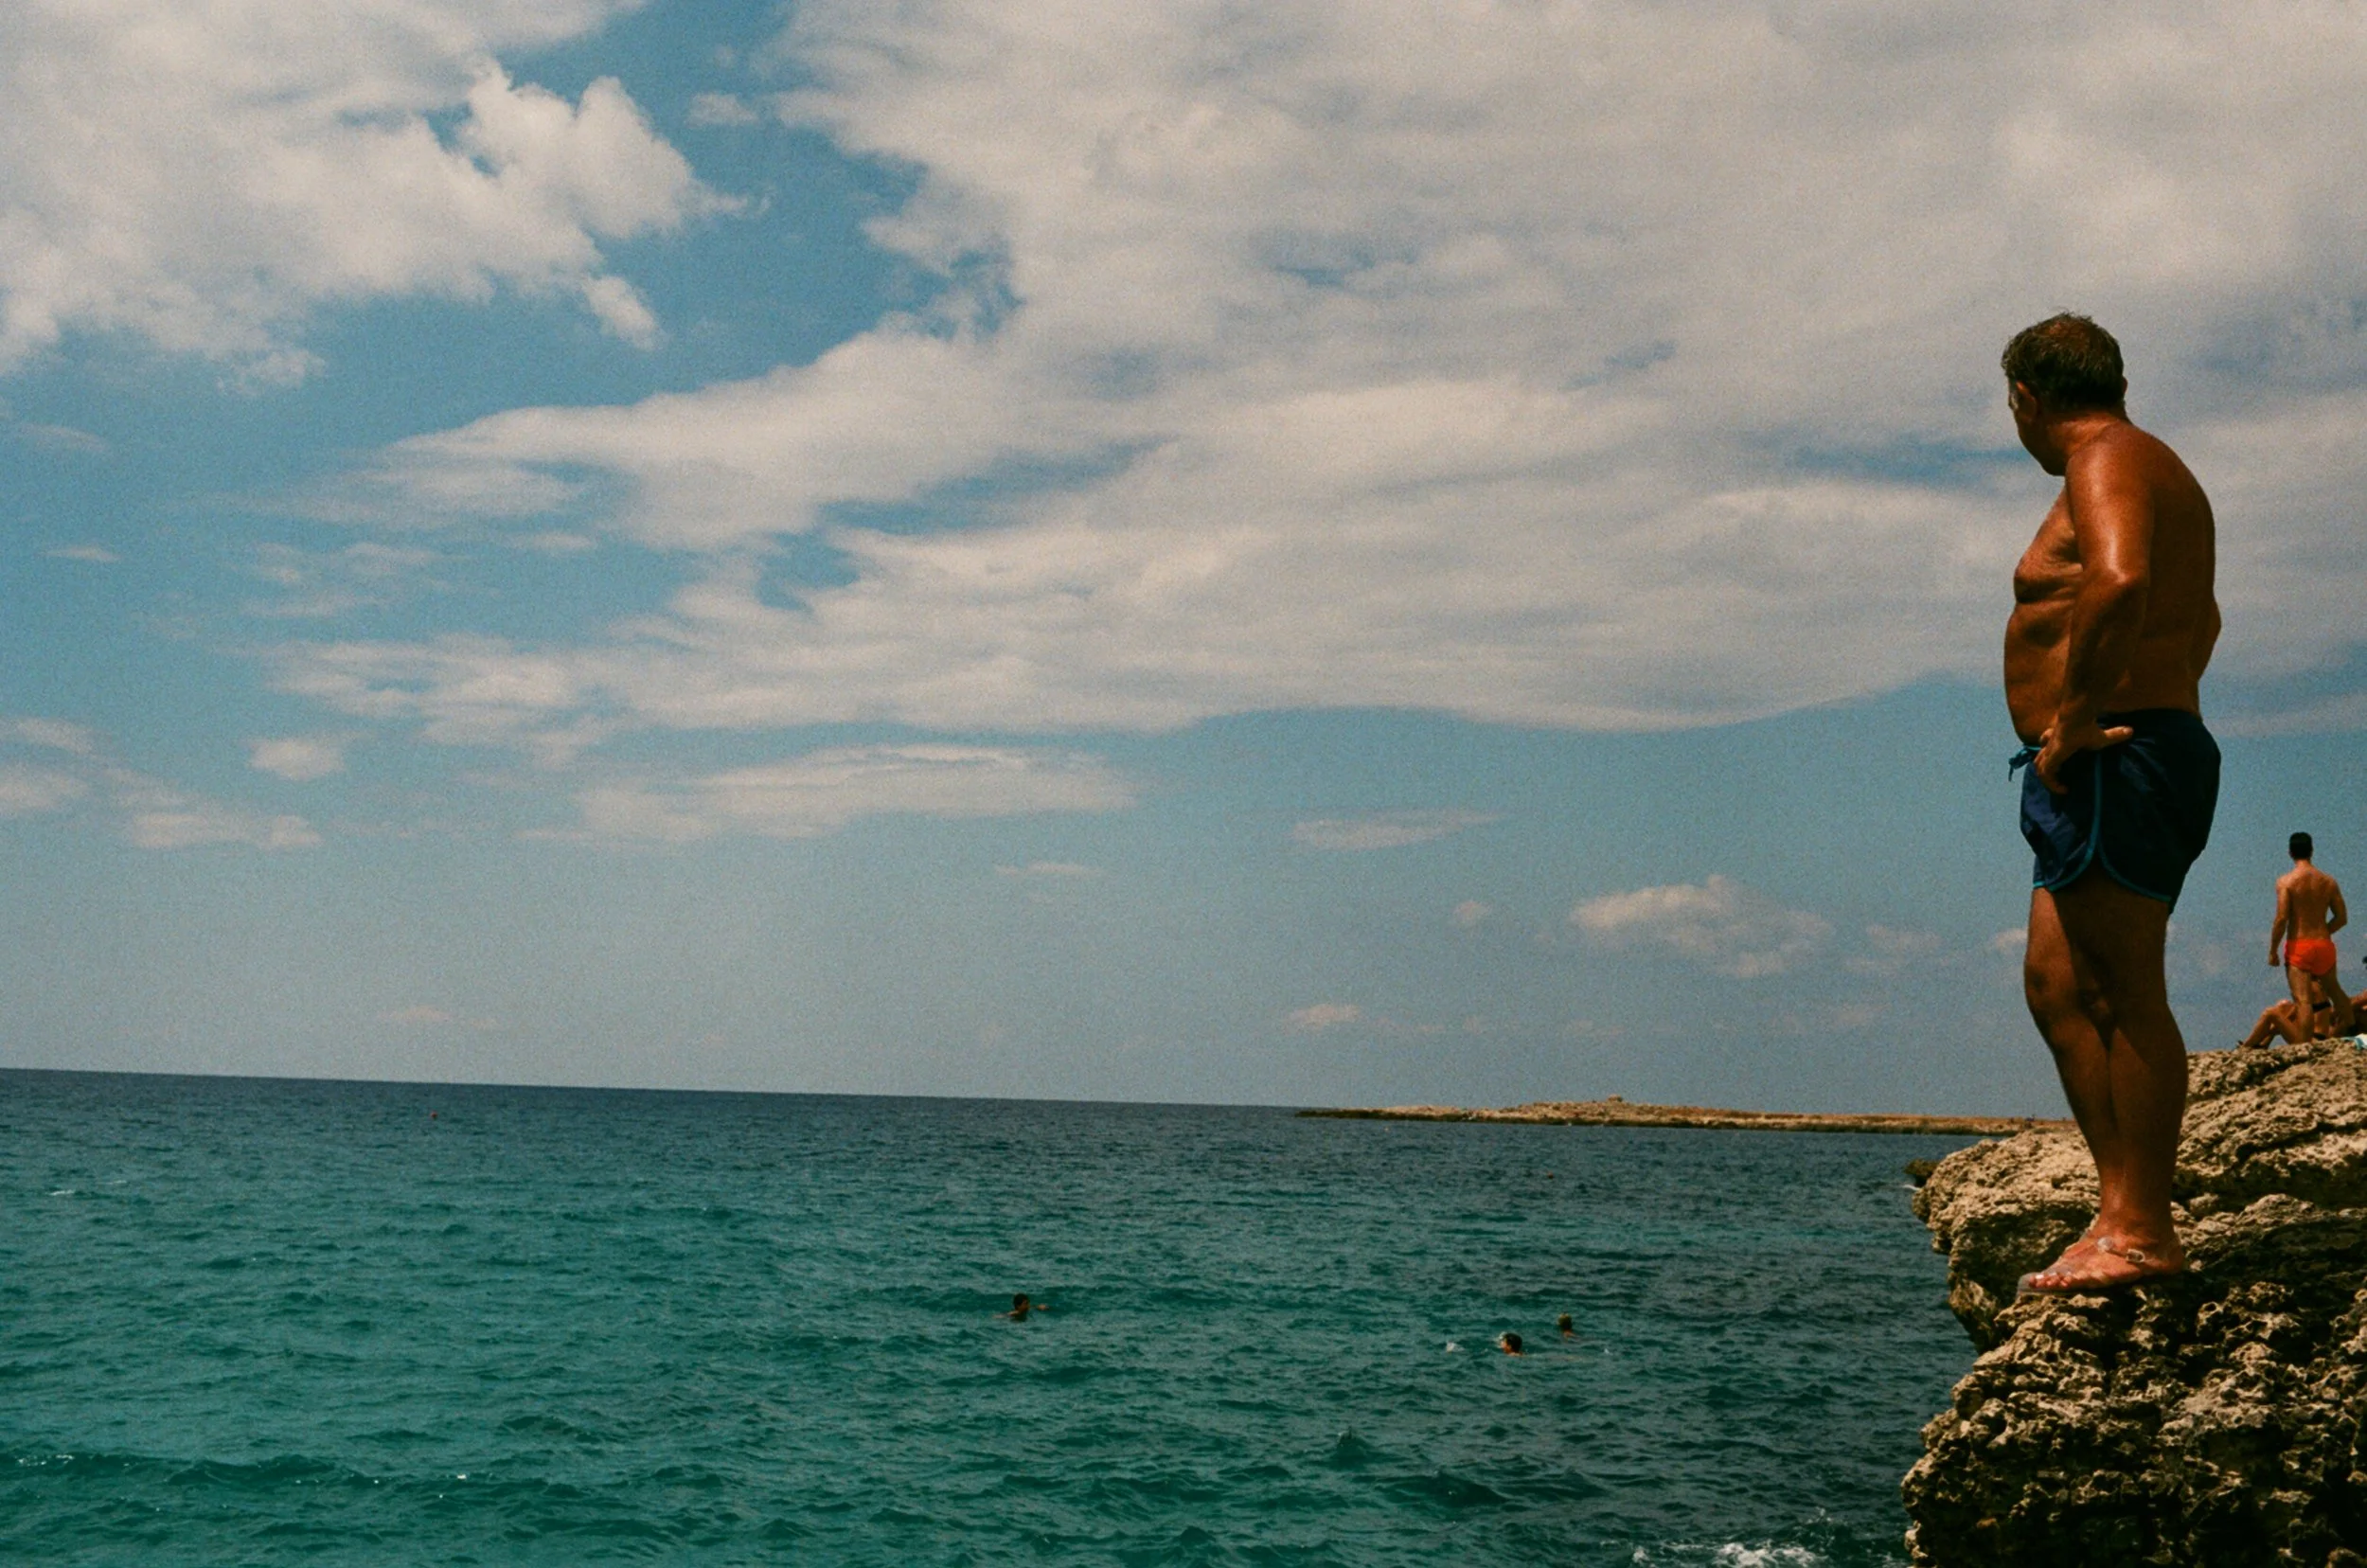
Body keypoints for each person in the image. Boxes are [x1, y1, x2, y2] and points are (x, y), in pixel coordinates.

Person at [2001, 314, 2220, 1294]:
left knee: (2126, 993)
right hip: (2108, 758)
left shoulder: (2106, 459)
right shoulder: (2141, 463)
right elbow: (2202, 615)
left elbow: (2123, 580)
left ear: (2026, 400)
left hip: (2109, 758)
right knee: (2056, 984)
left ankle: (2143, 1227)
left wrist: (2081, 716)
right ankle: (2115, 1206)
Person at [2271, 832, 2353, 1036]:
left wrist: (2272, 950)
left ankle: (2304, 1044)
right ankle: (2351, 1026)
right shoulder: (2328, 882)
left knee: (2303, 999)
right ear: (2312, 851)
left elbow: (2282, 918)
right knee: (2334, 990)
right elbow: (2342, 918)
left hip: (2299, 944)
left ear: (2290, 853)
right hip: (2323, 943)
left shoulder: (2286, 882)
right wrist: (2325, 931)